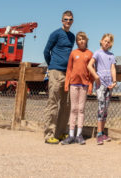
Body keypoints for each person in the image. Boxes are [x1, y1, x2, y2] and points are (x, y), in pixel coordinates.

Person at [43, 10, 75, 144]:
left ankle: (61, 132)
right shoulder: (55, 34)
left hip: (68, 73)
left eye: (70, 20)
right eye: (66, 19)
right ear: (62, 20)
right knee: (53, 102)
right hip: (56, 71)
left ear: (72, 21)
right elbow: (46, 51)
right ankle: (49, 134)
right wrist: (52, 66)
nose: (68, 22)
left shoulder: (72, 37)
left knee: (66, 104)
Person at [61, 31, 93, 145]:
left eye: (83, 39)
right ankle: (71, 135)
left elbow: (91, 71)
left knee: (81, 109)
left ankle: (79, 135)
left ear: (86, 40)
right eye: (79, 39)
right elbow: (69, 69)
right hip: (73, 84)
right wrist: (66, 83)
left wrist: (90, 84)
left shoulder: (90, 54)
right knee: (73, 109)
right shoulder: (73, 53)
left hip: (84, 85)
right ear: (77, 42)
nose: (81, 41)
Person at [87, 33, 117, 145]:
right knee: (101, 108)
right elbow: (90, 65)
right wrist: (96, 76)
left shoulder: (111, 55)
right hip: (100, 85)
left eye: (109, 41)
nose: (106, 43)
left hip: (109, 85)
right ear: (101, 41)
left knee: (105, 110)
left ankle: (103, 132)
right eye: (105, 40)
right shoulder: (97, 53)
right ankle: (98, 134)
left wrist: (114, 81)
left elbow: (113, 68)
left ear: (111, 44)